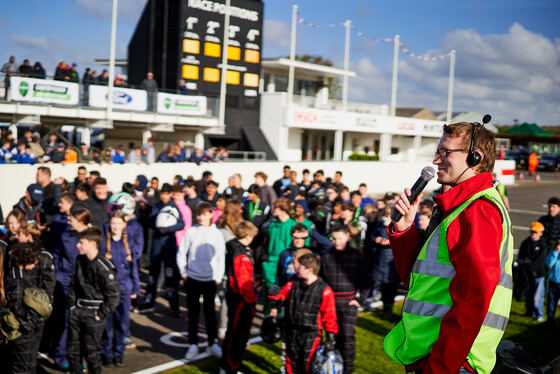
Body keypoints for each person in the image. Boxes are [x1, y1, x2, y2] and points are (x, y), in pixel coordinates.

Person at [385, 121, 513, 374]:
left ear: (476, 157)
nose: (435, 160)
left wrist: (441, 368)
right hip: (438, 357)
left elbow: (473, 300)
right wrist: (404, 230)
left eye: (446, 152)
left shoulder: (477, 210)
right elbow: (419, 281)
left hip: (453, 362)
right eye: (437, 152)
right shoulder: (457, 208)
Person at [269, 253, 338, 374]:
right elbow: (282, 298)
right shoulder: (293, 283)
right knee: (291, 365)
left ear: (309, 270)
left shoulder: (324, 290)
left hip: (311, 335)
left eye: (299, 267)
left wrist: (331, 335)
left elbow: (330, 315)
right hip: (291, 332)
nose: (296, 268)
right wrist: (274, 295)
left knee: (308, 366)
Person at [67, 227, 120, 374]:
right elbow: (73, 285)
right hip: (77, 311)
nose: (78, 245)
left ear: (92, 244)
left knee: (91, 354)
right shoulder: (79, 260)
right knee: (72, 352)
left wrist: (100, 314)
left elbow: (114, 295)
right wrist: (72, 307)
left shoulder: (104, 267)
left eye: (81, 242)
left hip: (94, 314)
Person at [177, 202, 225, 360]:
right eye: (199, 215)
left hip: (210, 280)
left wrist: (217, 277)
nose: (202, 218)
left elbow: (220, 257)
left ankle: (213, 344)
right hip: (192, 279)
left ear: (211, 215)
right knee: (193, 313)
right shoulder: (191, 232)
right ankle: (193, 345)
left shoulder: (216, 233)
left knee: (210, 314)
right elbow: (181, 253)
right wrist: (184, 273)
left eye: (205, 214)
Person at [321, 224, 370, 374]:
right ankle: (332, 367)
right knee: (331, 337)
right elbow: (321, 281)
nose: (337, 242)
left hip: (349, 303)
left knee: (347, 338)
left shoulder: (357, 255)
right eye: (334, 239)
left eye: (340, 238)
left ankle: (348, 369)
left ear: (348, 237)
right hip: (330, 303)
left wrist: (360, 299)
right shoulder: (327, 256)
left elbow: (366, 279)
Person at [49, 207, 91, 371]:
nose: (68, 221)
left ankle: (78, 356)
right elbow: (57, 256)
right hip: (66, 283)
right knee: (66, 322)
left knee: (82, 325)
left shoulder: (92, 235)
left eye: (72, 219)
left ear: (81, 222)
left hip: (85, 286)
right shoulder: (66, 234)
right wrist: (58, 277)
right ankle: (61, 357)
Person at [4, 241, 54, 373]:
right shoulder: (17, 279)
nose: (37, 262)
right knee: (23, 366)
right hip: (23, 332)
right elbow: (17, 307)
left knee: (29, 363)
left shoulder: (20, 274)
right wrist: (30, 323)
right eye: (35, 259)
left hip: (26, 329)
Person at [100, 211, 141, 366]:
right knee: (107, 324)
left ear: (124, 225)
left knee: (122, 324)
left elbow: (134, 268)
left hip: (124, 289)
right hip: (107, 290)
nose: (116, 226)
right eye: (113, 223)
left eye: (119, 223)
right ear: (109, 225)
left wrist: (135, 288)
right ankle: (107, 353)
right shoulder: (104, 244)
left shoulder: (128, 244)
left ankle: (118, 353)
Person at [138, 183, 184, 314]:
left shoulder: (174, 207)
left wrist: (168, 228)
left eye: (166, 194)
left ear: (170, 194)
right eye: (162, 193)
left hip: (169, 243)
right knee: (153, 272)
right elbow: (151, 223)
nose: (164, 196)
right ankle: (149, 301)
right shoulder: (157, 206)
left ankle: (173, 304)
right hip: (157, 242)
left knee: (171, 273)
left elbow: (181, 224)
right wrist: (149, 215)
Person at [220, 221, 259, 374]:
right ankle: (230, 366)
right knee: (238, 334)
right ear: (248, 236)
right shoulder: (241, 254)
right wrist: (252, 300)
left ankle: (231, 364)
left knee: (234, 333)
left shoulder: (233, 246)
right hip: (241, 299)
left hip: (235, 296)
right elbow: (244, 282)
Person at [262, 198, 298, 295]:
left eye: (275, 208)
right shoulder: (272, 225)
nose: (273, 210)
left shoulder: (293, 225)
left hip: (286, 261)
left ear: (282, 209)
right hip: (271, 261)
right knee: (269, 289)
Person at [518, 222, 548, 322]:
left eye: (535, 232)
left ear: (540, 233)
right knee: (528, 295)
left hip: (538, 275)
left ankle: (540, 315)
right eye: (531, 232)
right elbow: (521, 257)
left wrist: (530, 267)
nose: (532, 234)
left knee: (537, 297)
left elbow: (541, 261)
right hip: (528, 275)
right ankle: (530, 312)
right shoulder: (526, 243)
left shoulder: (543, 245)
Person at [545, 239, 560, 327]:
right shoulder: (553, 253)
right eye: (558, 243)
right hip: (553, 283)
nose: (559, 246)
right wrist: (555, 253)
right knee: (551, 304)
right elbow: (549, 264)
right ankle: (550, 322)